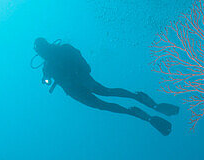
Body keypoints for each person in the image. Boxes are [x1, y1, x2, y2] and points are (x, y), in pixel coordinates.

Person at [33, 37, 178, 135]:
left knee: (106, 93)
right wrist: (47, 77)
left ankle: (138, 100)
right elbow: (47, 79)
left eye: (42, 49)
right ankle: (137, 110)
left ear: (46, 45)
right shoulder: (47, 66)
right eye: (40, 51)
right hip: (73, 89)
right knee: (102, 103)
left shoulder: (62, 50)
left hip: (80, 80)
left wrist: (81, 70)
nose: (43, 53)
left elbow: (78, 57)